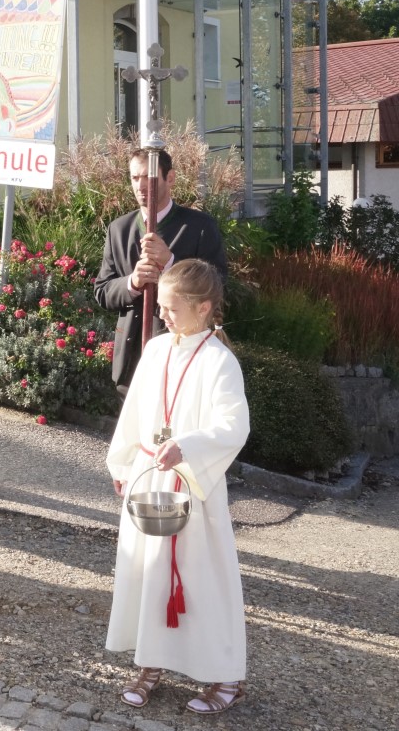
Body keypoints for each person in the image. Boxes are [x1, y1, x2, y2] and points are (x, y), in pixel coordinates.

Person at [105, 258, 249, 715]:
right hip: (150, 478)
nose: (162, 315)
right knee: (147, 572)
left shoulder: (220, 361)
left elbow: (234, 425)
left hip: (192, 485)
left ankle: (226, 675)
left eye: (172, 307)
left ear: (203, 308)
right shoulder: (155, 350)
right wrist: (122, 462)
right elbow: (134, 410)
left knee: (200, 579)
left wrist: (186, 447)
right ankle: (149, 664)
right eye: (162, 306)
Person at [95, 149, 228, 391]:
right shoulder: (119, 229)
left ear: (171, 178)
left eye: (149, 177)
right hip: (131, 362)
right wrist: (132, 282)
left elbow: (218, 284)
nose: (141, 185)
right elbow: (102, 291)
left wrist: (171, 264)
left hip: (181, 355)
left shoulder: (199, 227)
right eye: (135, 177)